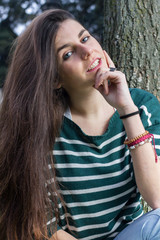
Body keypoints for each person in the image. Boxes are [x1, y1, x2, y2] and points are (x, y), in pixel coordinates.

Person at [0, 8, 160, 240]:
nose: (86, 51)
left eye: (85, 38)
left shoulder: (141, 106)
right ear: (55, 79)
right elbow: (46, 229)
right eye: (68, 54)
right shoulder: (41, 130)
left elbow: (156, 198)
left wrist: (126, 109)